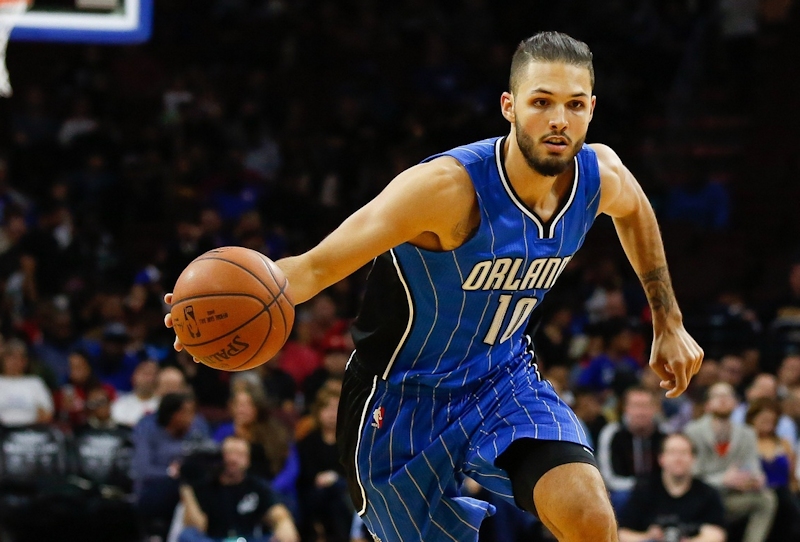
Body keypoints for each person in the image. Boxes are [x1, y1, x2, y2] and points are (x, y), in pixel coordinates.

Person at [166, 32, 704, 542]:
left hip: (501, 379)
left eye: (575, 104)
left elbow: (636, 213)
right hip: (398, 401)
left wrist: (669, 321)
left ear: (591, 108)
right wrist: (212, 311)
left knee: (590, 516)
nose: (559, 119)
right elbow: (310, 269)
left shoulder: (598, 173)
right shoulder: (445, 190)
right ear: (509, 106)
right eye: (541, 102)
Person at [684, 382, 777, 542]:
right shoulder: (692, 431)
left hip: (732, 498)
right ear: (707, 404)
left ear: (735, 403)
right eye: (717, 396)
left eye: (727, 396)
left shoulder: (747, 433)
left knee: (767, 499)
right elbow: (689, 474)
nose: (723, 400)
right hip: (701, 498)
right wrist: (723, 479)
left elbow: (753, 466)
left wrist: (755, 479)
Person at [178, 436, 299, 542]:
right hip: (215, 539)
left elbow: (277, 512)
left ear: (248, 460)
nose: (234, 459)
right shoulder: (205, 486)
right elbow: (197, 526)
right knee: (187, 535)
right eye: (229, 453)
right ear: (220, 456)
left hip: (247, 539)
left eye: (240, 455)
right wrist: (187, 490)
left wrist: (284, 524)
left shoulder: (256, 486)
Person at [618, 433, 726, 542]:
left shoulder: (708, 494)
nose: (678, 459)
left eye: (684, 453)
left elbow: (717, 535)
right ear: (661, 459)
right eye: (672, 453)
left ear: (693, 458)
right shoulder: (644, 490)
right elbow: (622, 533)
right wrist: (648, 536)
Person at [597, 386, 666, 512]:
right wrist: (639, 486)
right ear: (626, 409)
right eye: (636, 406)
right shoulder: (612, 433)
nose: (641, 412)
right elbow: (607, 476)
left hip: (660, 490)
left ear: (655, 409)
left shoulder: (665, 435)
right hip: (623, 491)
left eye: (645, 406)